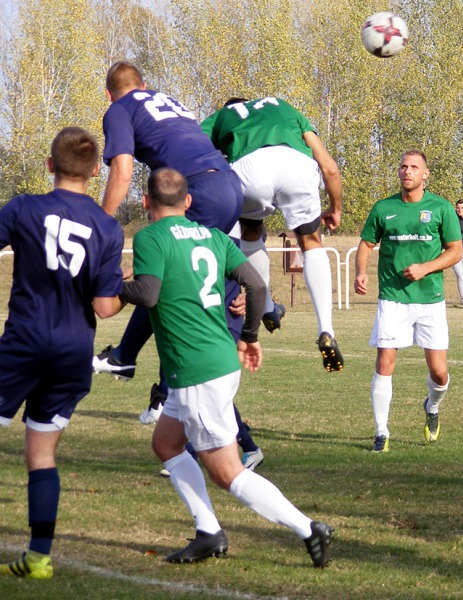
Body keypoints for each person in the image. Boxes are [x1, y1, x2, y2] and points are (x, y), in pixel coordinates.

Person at [122, 168, 333, 566]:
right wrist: (249, 335)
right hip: (217, 357)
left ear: (147, 202)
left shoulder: (150, 236)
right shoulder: (215, 236)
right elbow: (255, 285)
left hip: (196, 369)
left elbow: (147, 294)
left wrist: (110, 284)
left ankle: (308, 528)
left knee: (226, 472)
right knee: (165, 444)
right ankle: (208, 531)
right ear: (188, 203)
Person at [0, 128, 125, 579]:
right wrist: (127, 289)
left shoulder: (23, 208)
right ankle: (38, 558)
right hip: (73, 350)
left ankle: (36, 559)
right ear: (96, 172)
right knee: (42, 453)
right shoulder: (108, 228)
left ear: (50, 165)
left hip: (24, 342)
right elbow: (106, 308)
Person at [92, 61, 244, 413]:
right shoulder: (168, 100)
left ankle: (129, 360)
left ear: (107, 93)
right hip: (229, 184)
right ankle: (161, 392)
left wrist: (101, 224)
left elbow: (123, 170)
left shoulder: (119, 108)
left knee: (163, 282)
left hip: (198, 190)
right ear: (144, 84)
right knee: (181, 281)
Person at [201, 96, 344, 372]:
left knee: (251, 230)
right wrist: (335, 208)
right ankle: (326, 329)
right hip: (295, 164)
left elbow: (196, 150)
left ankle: (266, 305)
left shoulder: (222, 116)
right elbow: (330, 168)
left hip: (249, 168)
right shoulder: (281, 106)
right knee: (311, 243)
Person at [354, 150, 462, 452]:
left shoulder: (440, 208)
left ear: (425, 174)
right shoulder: (384, 208)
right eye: (403, 166)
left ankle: (432, 407)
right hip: (393, 298)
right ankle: (381, 433)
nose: (407, 171)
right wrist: (361, 271)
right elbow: (366, 243)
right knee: (385, 361)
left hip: (430, 300)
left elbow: (455, 251)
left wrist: (425, 268)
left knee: (439, 372)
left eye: (414, 167)